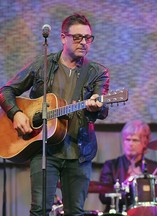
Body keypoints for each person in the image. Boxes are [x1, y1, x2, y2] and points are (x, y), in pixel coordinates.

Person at [0, 13, 110, 215]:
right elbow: (5, 91)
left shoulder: (98, 72)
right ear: (63, 38)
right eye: (77, 37)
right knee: (40, 210)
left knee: (75, 212)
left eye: (88, 38)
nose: (84, 42)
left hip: (79, 151)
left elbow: (102, 107)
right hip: (44, 150)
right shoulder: (43, 65)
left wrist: (98, 106)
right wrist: (16, 113)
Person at [99, 120, 157, 215]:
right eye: (127, 139)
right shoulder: (111, 166)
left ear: (145, 143)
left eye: (135, 140)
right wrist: (128, 190)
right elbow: (103, 196)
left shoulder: (155, 168)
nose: (130, 144)